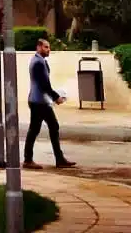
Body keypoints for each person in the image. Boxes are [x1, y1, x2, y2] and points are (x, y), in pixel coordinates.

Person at [23, 38, 76, 169]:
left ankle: (31, 159)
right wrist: (56, 97)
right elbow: (44, 84)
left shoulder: (38, 61)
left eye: (49, 47)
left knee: (36, 129)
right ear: (38, 47)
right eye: (46, 47)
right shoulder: (38, 63)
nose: (48, 50)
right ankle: (56, 159)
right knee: (51, 127)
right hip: (39, 102)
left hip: (37, 100)